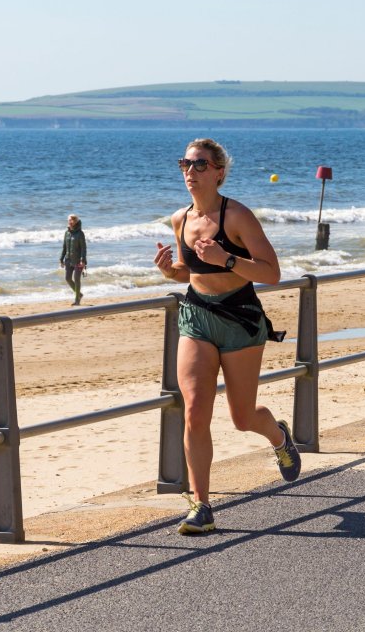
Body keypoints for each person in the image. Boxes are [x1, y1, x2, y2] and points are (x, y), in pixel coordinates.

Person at [153, 138, 300, 535]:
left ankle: (279, 436)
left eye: (200, 165)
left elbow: (271, 272)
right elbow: (191, 270)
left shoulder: (236, 216)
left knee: (242, 417)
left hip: (240, 318)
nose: (190, 171)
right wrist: (171, 273)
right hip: (197, 316)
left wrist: (228, 259)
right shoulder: (180, 219)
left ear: (219, 171)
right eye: (185, 163)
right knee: (195, 409)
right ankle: (201, 505)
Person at [59, 214, 87, 305]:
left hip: (78, 260)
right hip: (68, 260)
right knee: (67, 278)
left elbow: (83, 248)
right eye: (69, 220)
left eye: (71, 220)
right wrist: (61, 258)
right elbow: (64, 247)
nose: (69, 221)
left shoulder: (80, 233)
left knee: (77, 279)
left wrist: (83, 260)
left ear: (75, 221)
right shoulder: (67, 233)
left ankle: (77, 300)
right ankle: (79, 294)